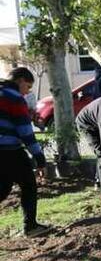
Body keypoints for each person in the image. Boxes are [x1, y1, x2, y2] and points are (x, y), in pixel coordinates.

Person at [0, 67, 51, 237]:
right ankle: (31, 227)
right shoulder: (14, 98)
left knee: (4, 187)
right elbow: (25, 132)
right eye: (28, 87)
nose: (27, 92)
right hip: (10, 150)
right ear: (20, 80)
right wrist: (39, 157)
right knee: (29, 184)